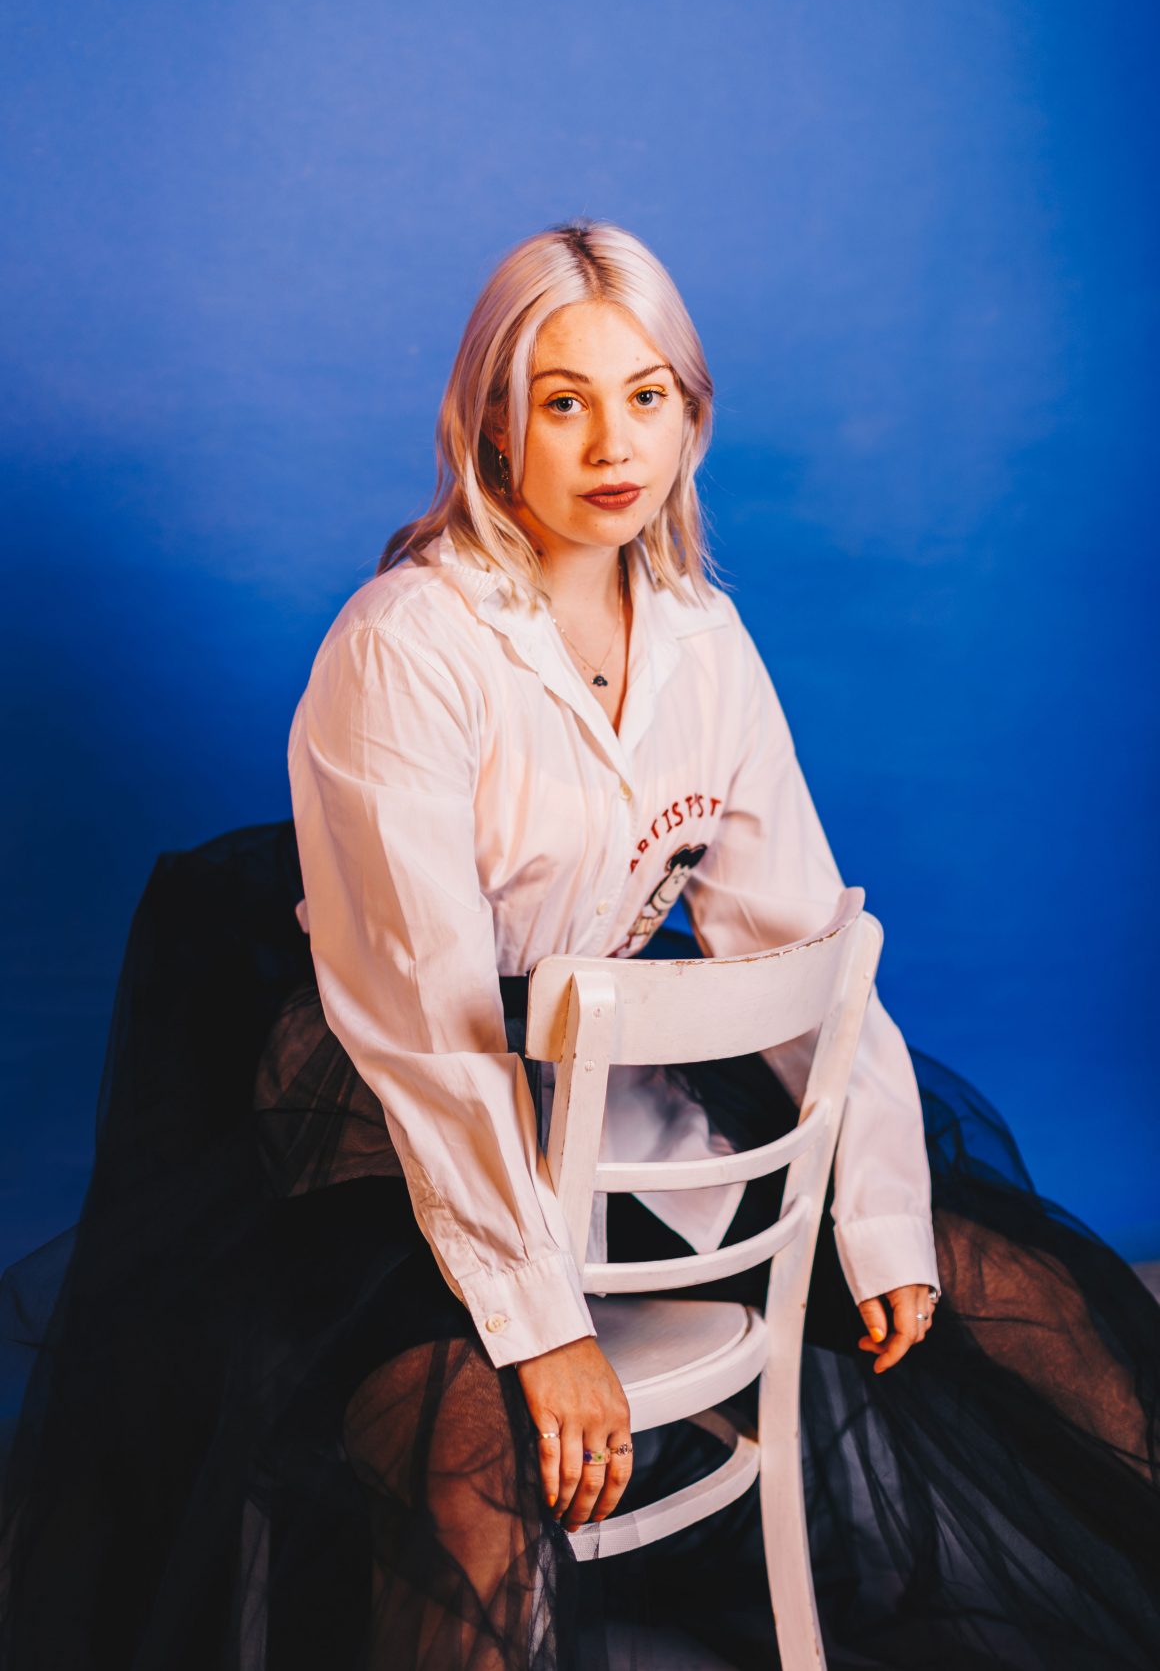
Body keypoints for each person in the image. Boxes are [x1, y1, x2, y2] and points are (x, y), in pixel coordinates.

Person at [1, 221, 1157, 1671]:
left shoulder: (702, 636)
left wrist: (877, 1212)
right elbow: (427, 1030)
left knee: (1023, 1292)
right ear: (494, 425)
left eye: (647, 396)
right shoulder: (404, 647)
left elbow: (803, 938)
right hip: (388, 1123)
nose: (615, 444)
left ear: (690, 416)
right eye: (565, 402)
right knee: (473, 1464)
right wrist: (544, 1328)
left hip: (606, 1086)